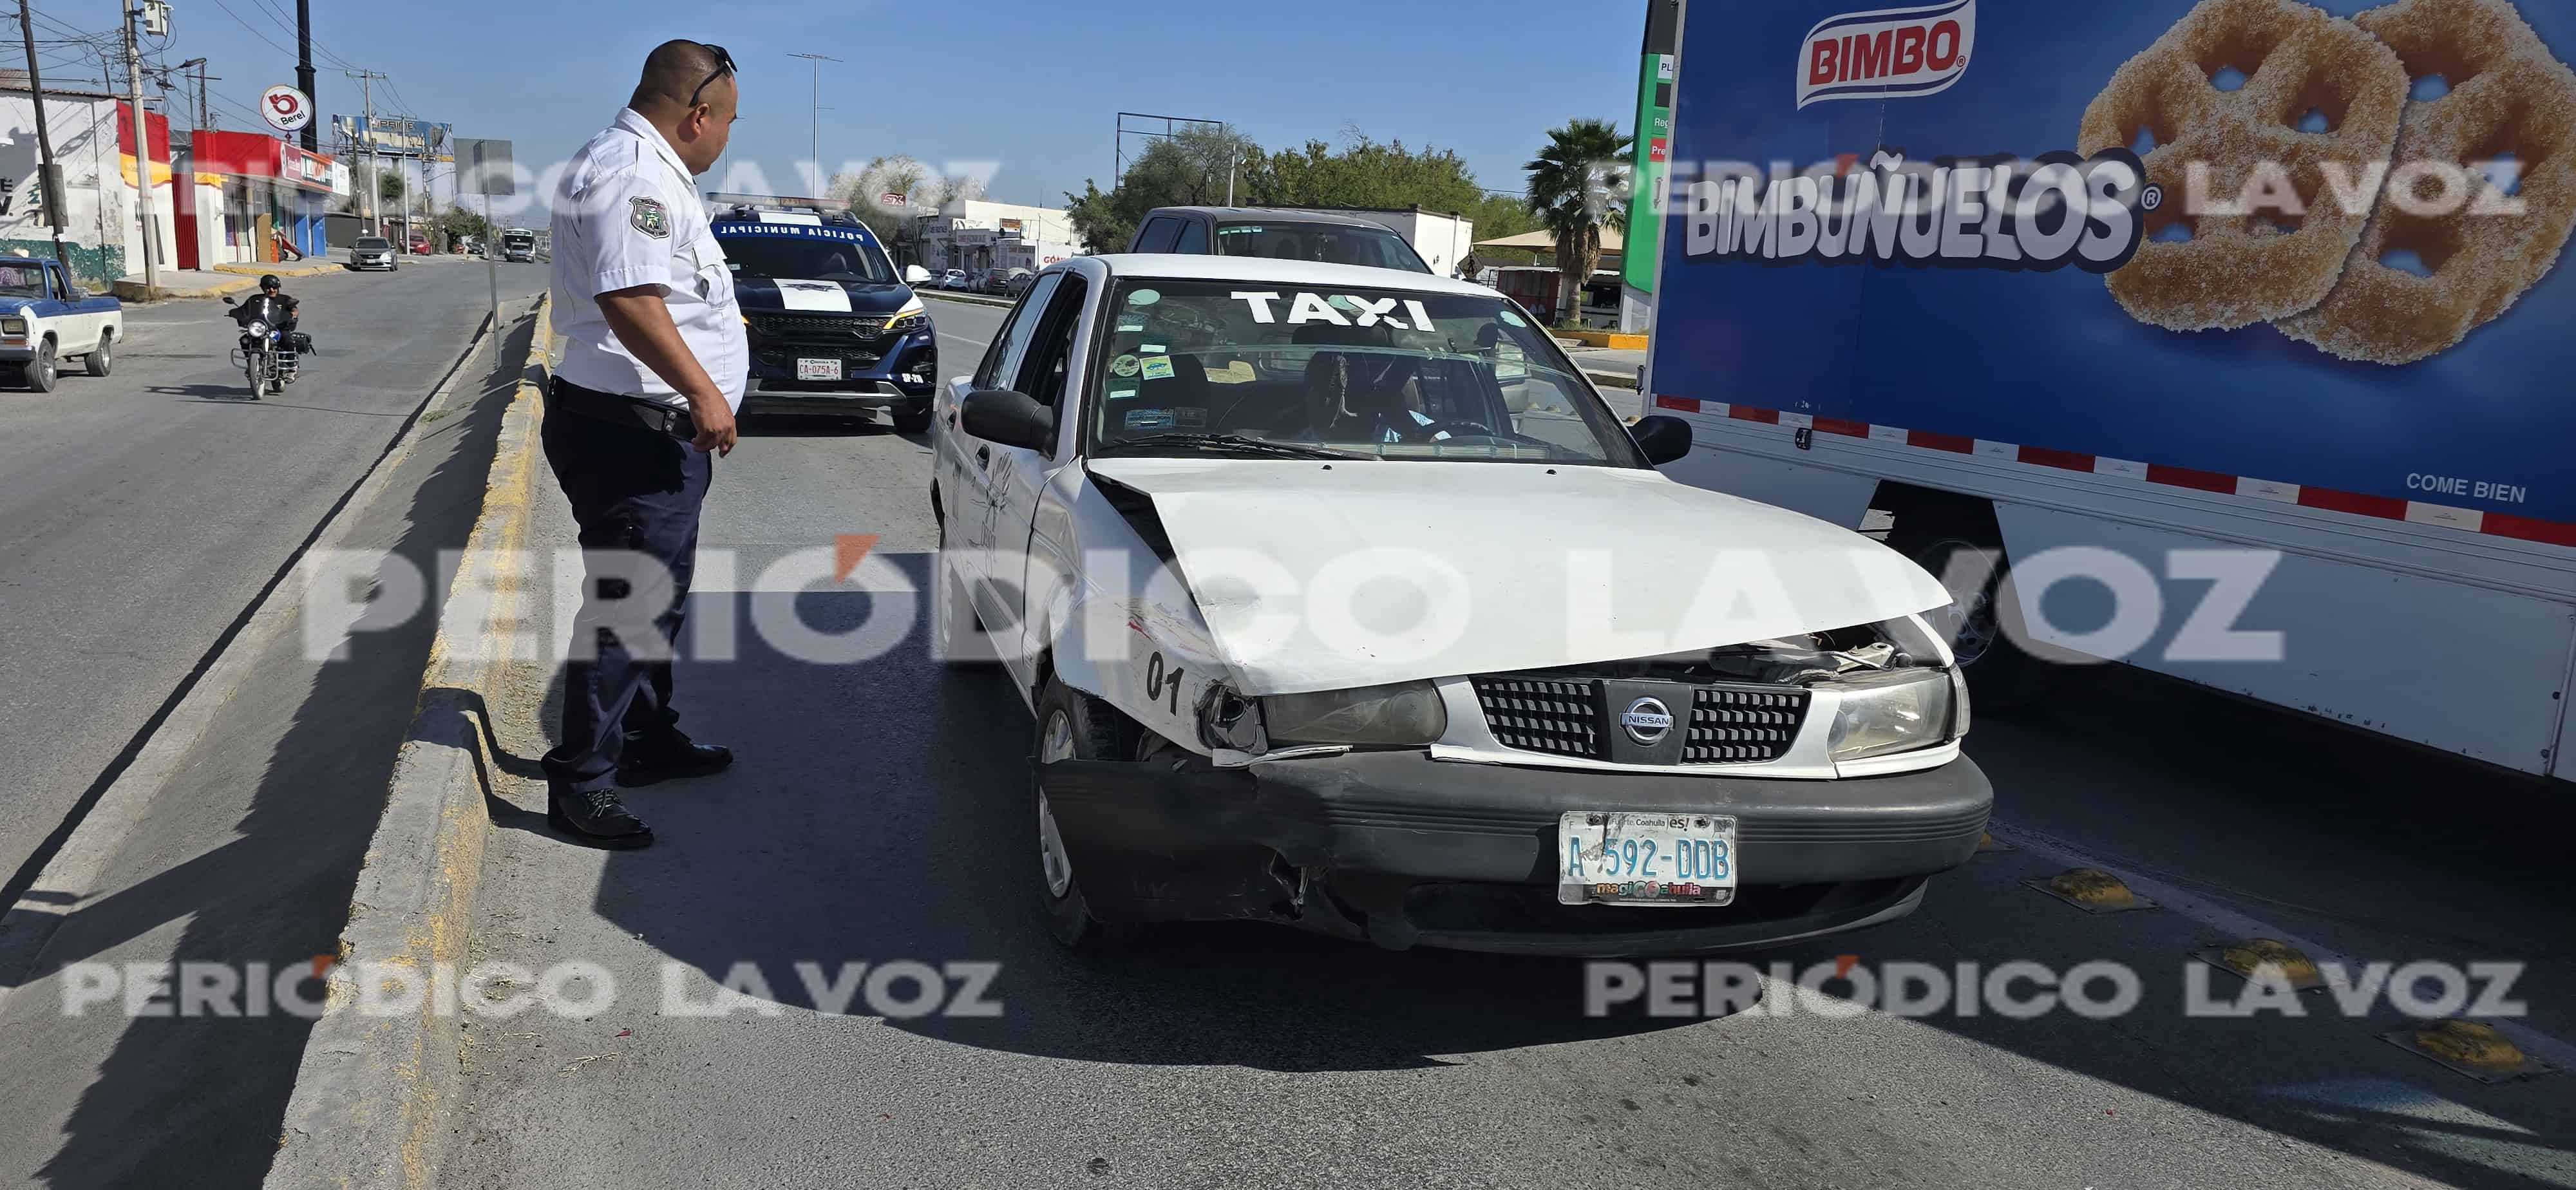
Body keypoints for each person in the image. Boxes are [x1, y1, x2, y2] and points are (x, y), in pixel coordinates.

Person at [540, 39, 745, 848]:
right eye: (728, 121)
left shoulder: (642, 167)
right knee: (628, 607)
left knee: (656, 599)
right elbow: (628, 298)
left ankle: (647, 738)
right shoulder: (634, 173)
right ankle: (582, 783)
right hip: (630, 435)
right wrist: (704, 391)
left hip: (650, 436)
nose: (727, 137)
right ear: (698, 114)